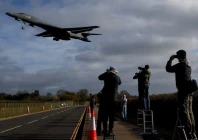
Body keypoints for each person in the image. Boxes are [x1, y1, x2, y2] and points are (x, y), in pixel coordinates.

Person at [166, 50, 197, 139]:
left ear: (179, 57)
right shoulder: (188, 65)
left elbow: (168, 69)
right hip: (190, 92)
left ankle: (189, 133)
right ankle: (193, 132)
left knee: (185, 112)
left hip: (183, 92)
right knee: (190, 112)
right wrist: (177, 57)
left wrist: (170, 60)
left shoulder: (180, 65)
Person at [98, 66, 121, 136]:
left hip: (105, 99)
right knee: (112, 116)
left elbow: (99, 77)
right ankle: (110, 130)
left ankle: (105, 130)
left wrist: (107, 72)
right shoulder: (117, 77)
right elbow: (120, 82)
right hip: (113, 99)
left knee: (105, 116)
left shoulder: (106, 76)